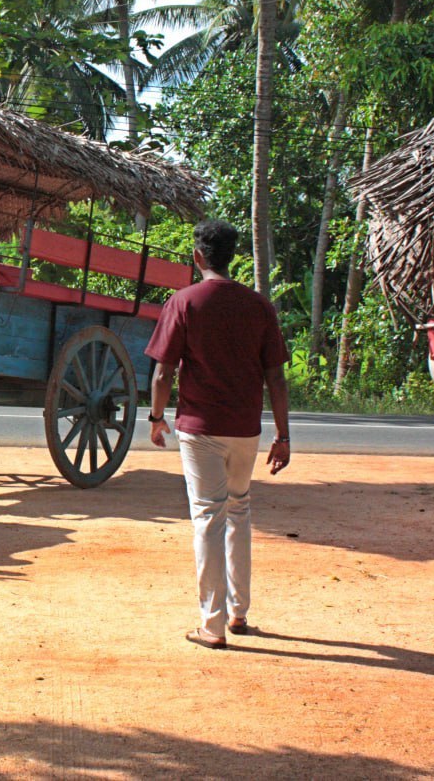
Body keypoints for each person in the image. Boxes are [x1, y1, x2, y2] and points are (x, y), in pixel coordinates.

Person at [144, 219, 291, 650]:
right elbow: (276, 380)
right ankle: (239, 613)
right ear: (232, 257)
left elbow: (163, 371)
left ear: (197, 257)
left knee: (208, 517)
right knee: (239, 512)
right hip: (246, 430)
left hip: (199, 429)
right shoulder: (259, 306)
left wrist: (156, 418)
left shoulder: (184, 302)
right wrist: (283, 436)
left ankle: (212, 626)